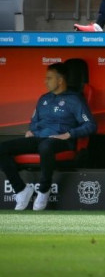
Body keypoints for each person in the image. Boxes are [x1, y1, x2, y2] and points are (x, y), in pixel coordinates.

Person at [0, 63, 96, 211]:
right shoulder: (43, 99)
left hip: (60, 141)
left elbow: (90, 125)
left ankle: (44, 190)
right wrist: (31, 131)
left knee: (46, 146)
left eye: (49, 78)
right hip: (38, 138)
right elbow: (34, 121)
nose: (45, 81)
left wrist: (69, 134)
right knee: (2, 148)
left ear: (60, 80)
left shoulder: (75, 100)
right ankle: (21, 190)